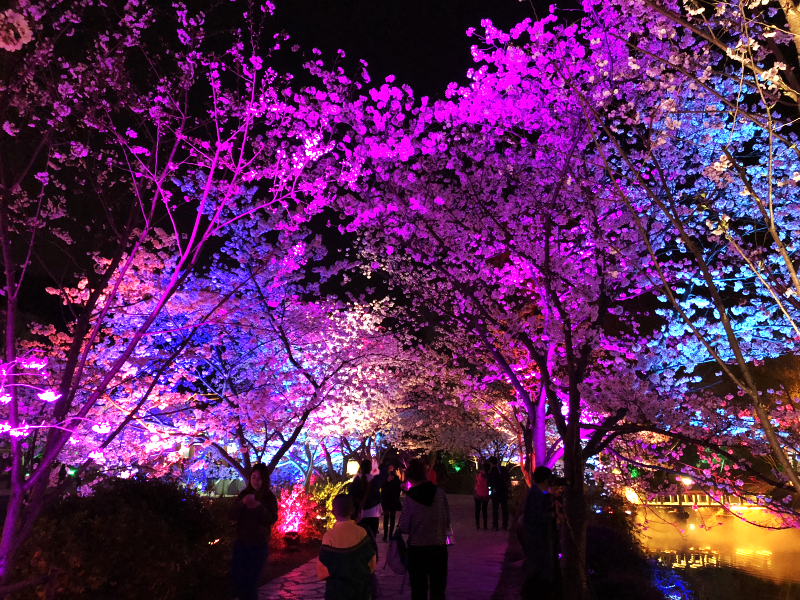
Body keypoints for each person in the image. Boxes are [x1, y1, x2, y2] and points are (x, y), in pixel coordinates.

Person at [397, 458, 451, 600]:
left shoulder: (410, 498)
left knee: (418, 590)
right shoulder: (440, 494)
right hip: (439, 547)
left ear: (411, 478)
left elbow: (404, 526)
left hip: (418, 549)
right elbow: (447, 520)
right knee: (438, 590)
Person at [229, 463, 279, 600]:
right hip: (241, 542)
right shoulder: (244, 494)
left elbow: (271, 519)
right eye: (253, 477)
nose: (256, 480)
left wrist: (259, 507)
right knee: (238, 580)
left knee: (251, 582)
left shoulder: (269, 498)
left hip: (258, 544)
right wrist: (242, 503)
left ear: (265, 480)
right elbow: (232, 514)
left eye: (259, 478)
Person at [317, 494, 377, 600]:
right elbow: (371, 563)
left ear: (333, 512)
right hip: (359, 590)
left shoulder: (329, 536)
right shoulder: (361, 533)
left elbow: (322, 572)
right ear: (353, 510)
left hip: (336, 591)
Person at [521, 466, 560, 600]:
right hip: (537, 537)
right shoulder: (536, 495)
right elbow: (536, 515)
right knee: (538, 568)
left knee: (537, 568)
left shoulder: (535, 493)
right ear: (545, 479)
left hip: (536, 536)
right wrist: (552, 515)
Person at [349, 458, 386, 537]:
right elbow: (384, 474)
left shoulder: (356, 481)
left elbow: (350, 494)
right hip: (373, 513)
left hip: (359, 514)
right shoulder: (375, 481)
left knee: (360, 538)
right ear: (370, 468)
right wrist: (380, 463)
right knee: (372, 537)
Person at [487, 456, 510, 531]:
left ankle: (495, 525)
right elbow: (507, 479)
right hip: (504, 491)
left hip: (496, 492)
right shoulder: (503, 469)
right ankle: (505, 525)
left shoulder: (492, 472)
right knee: (504, 508)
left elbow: (490, 482)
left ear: (491, 463)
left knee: (495, 509)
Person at [381, 464, 402, 541]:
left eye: (392, 467)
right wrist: (387, 481)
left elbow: (398, 488)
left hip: (393, 500)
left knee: (392, 517)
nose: (391, 469)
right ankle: (385, 535)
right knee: (386, 517)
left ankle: (390, 535)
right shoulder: (384, 477)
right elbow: (382, 487)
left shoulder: (396, 478)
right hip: (386, 500)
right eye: (389, 467)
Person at [473, 462, 491, 530]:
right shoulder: (489, 476)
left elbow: (476, 482)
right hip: (485, 494)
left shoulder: (478, 475)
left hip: (477, 493)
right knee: (484, 510)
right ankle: (485, 525)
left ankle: (477, 524)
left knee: (477, 509)